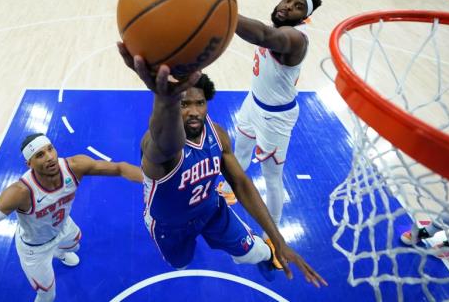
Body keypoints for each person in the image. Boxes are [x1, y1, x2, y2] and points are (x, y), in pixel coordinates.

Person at [116, 43, 327, 286]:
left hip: (211, 211)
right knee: (181, 264)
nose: (194, 111)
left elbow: (241, 183)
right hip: (170, 226)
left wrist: (277, 239)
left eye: (200, 103)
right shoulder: (158, 147)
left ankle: (265, 255)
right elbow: (162, 138)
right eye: (184, 104)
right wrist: (163, 99)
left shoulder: (217, 134)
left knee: (255, 252)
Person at [0, 134, 143, 301]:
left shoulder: (74, 167)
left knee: (75, 245)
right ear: (29, 163)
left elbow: (119, 168)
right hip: (35, 249)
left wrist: (152, 180)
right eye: (40, 155)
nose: (50, 157)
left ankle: (59, 252)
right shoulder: (20, 192)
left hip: (62, 227)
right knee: (48, 295)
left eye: (50, 149)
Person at [217, 0, 322, 244]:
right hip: (253, 102)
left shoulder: (296, 39)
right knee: (239, 151)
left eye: (298, 6)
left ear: (304, 17)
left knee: (271, 178)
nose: (288, 6)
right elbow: (265, 32)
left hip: (276, 118)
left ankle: (273, 234)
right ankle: (230, 189)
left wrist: (221, 10)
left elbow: (263, 35)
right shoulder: (278, 26)